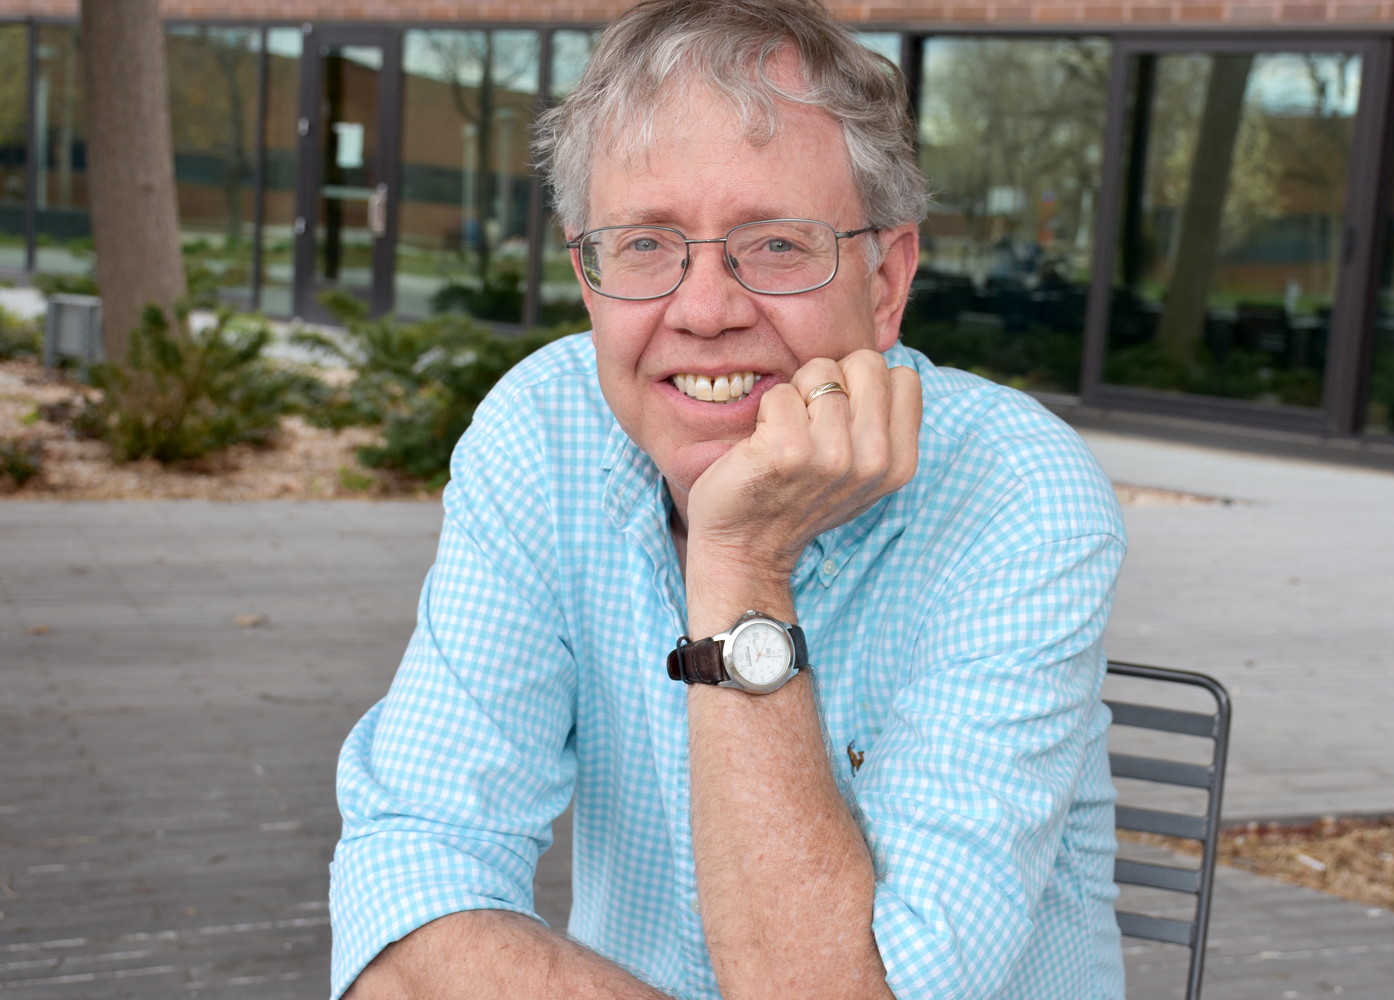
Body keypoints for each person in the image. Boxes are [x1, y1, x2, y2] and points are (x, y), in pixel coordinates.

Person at [328, 1, 1127, 998]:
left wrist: (740, 564)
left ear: (886, 282)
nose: (704, 310)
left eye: (778, 244)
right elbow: (408, 874)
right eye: (645, 245)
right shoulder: (545, 428)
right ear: (588, 273)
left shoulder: (1015, 493)